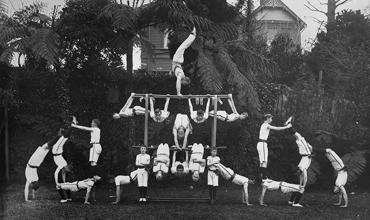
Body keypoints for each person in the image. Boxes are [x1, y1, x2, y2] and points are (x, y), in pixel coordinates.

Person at [257, 114, 291, 180]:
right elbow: (277, 128)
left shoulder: (264, 125)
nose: (271, 120)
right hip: (262, 143)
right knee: (264, 162)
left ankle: (261, 177)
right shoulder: (266, 125)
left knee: (262, 162)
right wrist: (287, 127)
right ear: (267, 118)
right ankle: (264, 178)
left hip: (261, 144)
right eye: (271, 118)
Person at [172, 27, 195, 95]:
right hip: (177, 59)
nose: (183, 84)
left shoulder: (182, 75)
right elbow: (178, 82)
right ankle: (193, 35)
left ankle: (192, 35)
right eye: (184, 84)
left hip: (178, 60)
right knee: (184, 46)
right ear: (185, 80)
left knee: (184, 46)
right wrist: (178, 92)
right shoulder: (181, 75)